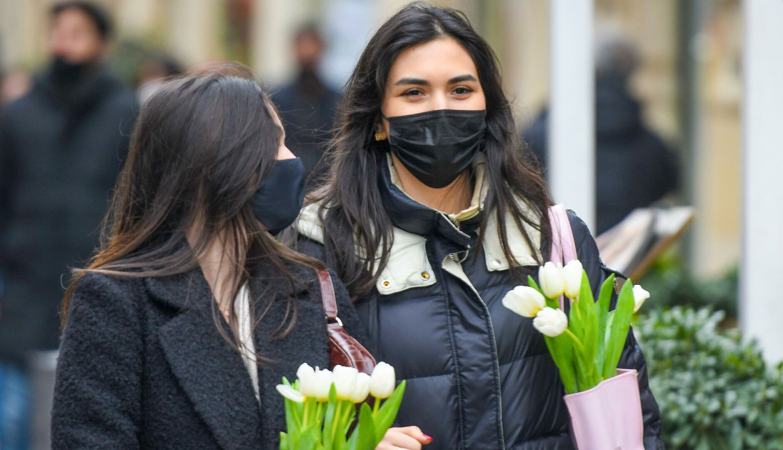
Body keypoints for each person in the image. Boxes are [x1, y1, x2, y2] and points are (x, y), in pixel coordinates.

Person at [294, 4, 664, 449]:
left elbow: (629, 410)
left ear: (487, 105)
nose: (441, 108)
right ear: (378, 120)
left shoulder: (551, 237)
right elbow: (288, 413)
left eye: (461, 89)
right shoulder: (320, 244)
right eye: (414, 93)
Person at [52, 63, 425, 449]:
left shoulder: (310, 288)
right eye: (276, 143)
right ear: (219, 161)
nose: (292, 160)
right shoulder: (115, 302)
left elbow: (346, 432)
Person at [0, 2, 137, 448]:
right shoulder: (17, 116)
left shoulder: (127, 114)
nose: (64, 42)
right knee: (12, 422)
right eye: (58, 31)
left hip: (97, 289)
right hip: (21, 292)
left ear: (101, 44)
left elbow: (138, 203)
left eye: (77, 32)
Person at [523, 29, 679, 233]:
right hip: (627, 257)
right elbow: (669, 185)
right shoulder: (653, 143)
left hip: (557, 254)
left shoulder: (542, 132)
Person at [271, 25, 342, 189]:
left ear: (322, 48)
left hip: (327, 185)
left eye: (312, 45)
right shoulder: (277, 98)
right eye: (302, 45)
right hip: (286, 183)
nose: (307, 51)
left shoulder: (338, 100)